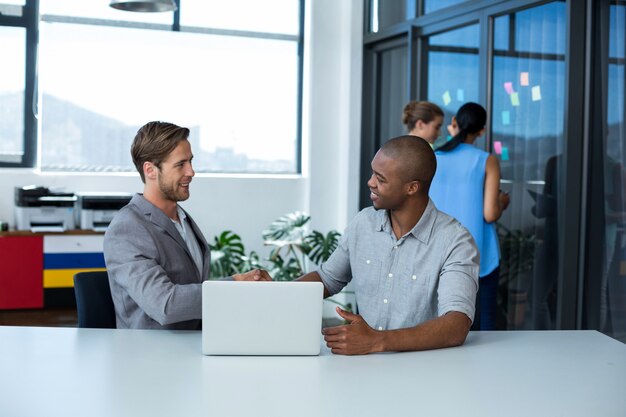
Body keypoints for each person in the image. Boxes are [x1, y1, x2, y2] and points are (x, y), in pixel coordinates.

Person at [297, 135, 479, 355]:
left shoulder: (455, 241)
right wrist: (273, 291)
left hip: (426, 370)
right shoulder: (363, 223)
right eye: (373, 173)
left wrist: (377, 341)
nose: (370, 182)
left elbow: (456, 325)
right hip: (366, 368)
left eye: (381, 179)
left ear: (411, 188)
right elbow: (327, 279)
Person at [103, 121, 271, 330]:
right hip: (150, 355)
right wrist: (234, 285)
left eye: (190, 162)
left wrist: (244, 283)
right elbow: (165, 305)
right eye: (180, 164)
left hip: (194, 347)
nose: (191, 172)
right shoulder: (127, 229)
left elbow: (193, 290)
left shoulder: (182, 219)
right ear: (150, 170)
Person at [429, 102, 510, 330]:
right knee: (483, 326)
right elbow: (490, 213)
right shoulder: (486, 160)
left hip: (439, 252)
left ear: (454, 123)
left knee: (440, 324)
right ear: (482, 130)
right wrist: (503, 202)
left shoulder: (432, 157)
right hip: (479, 253)